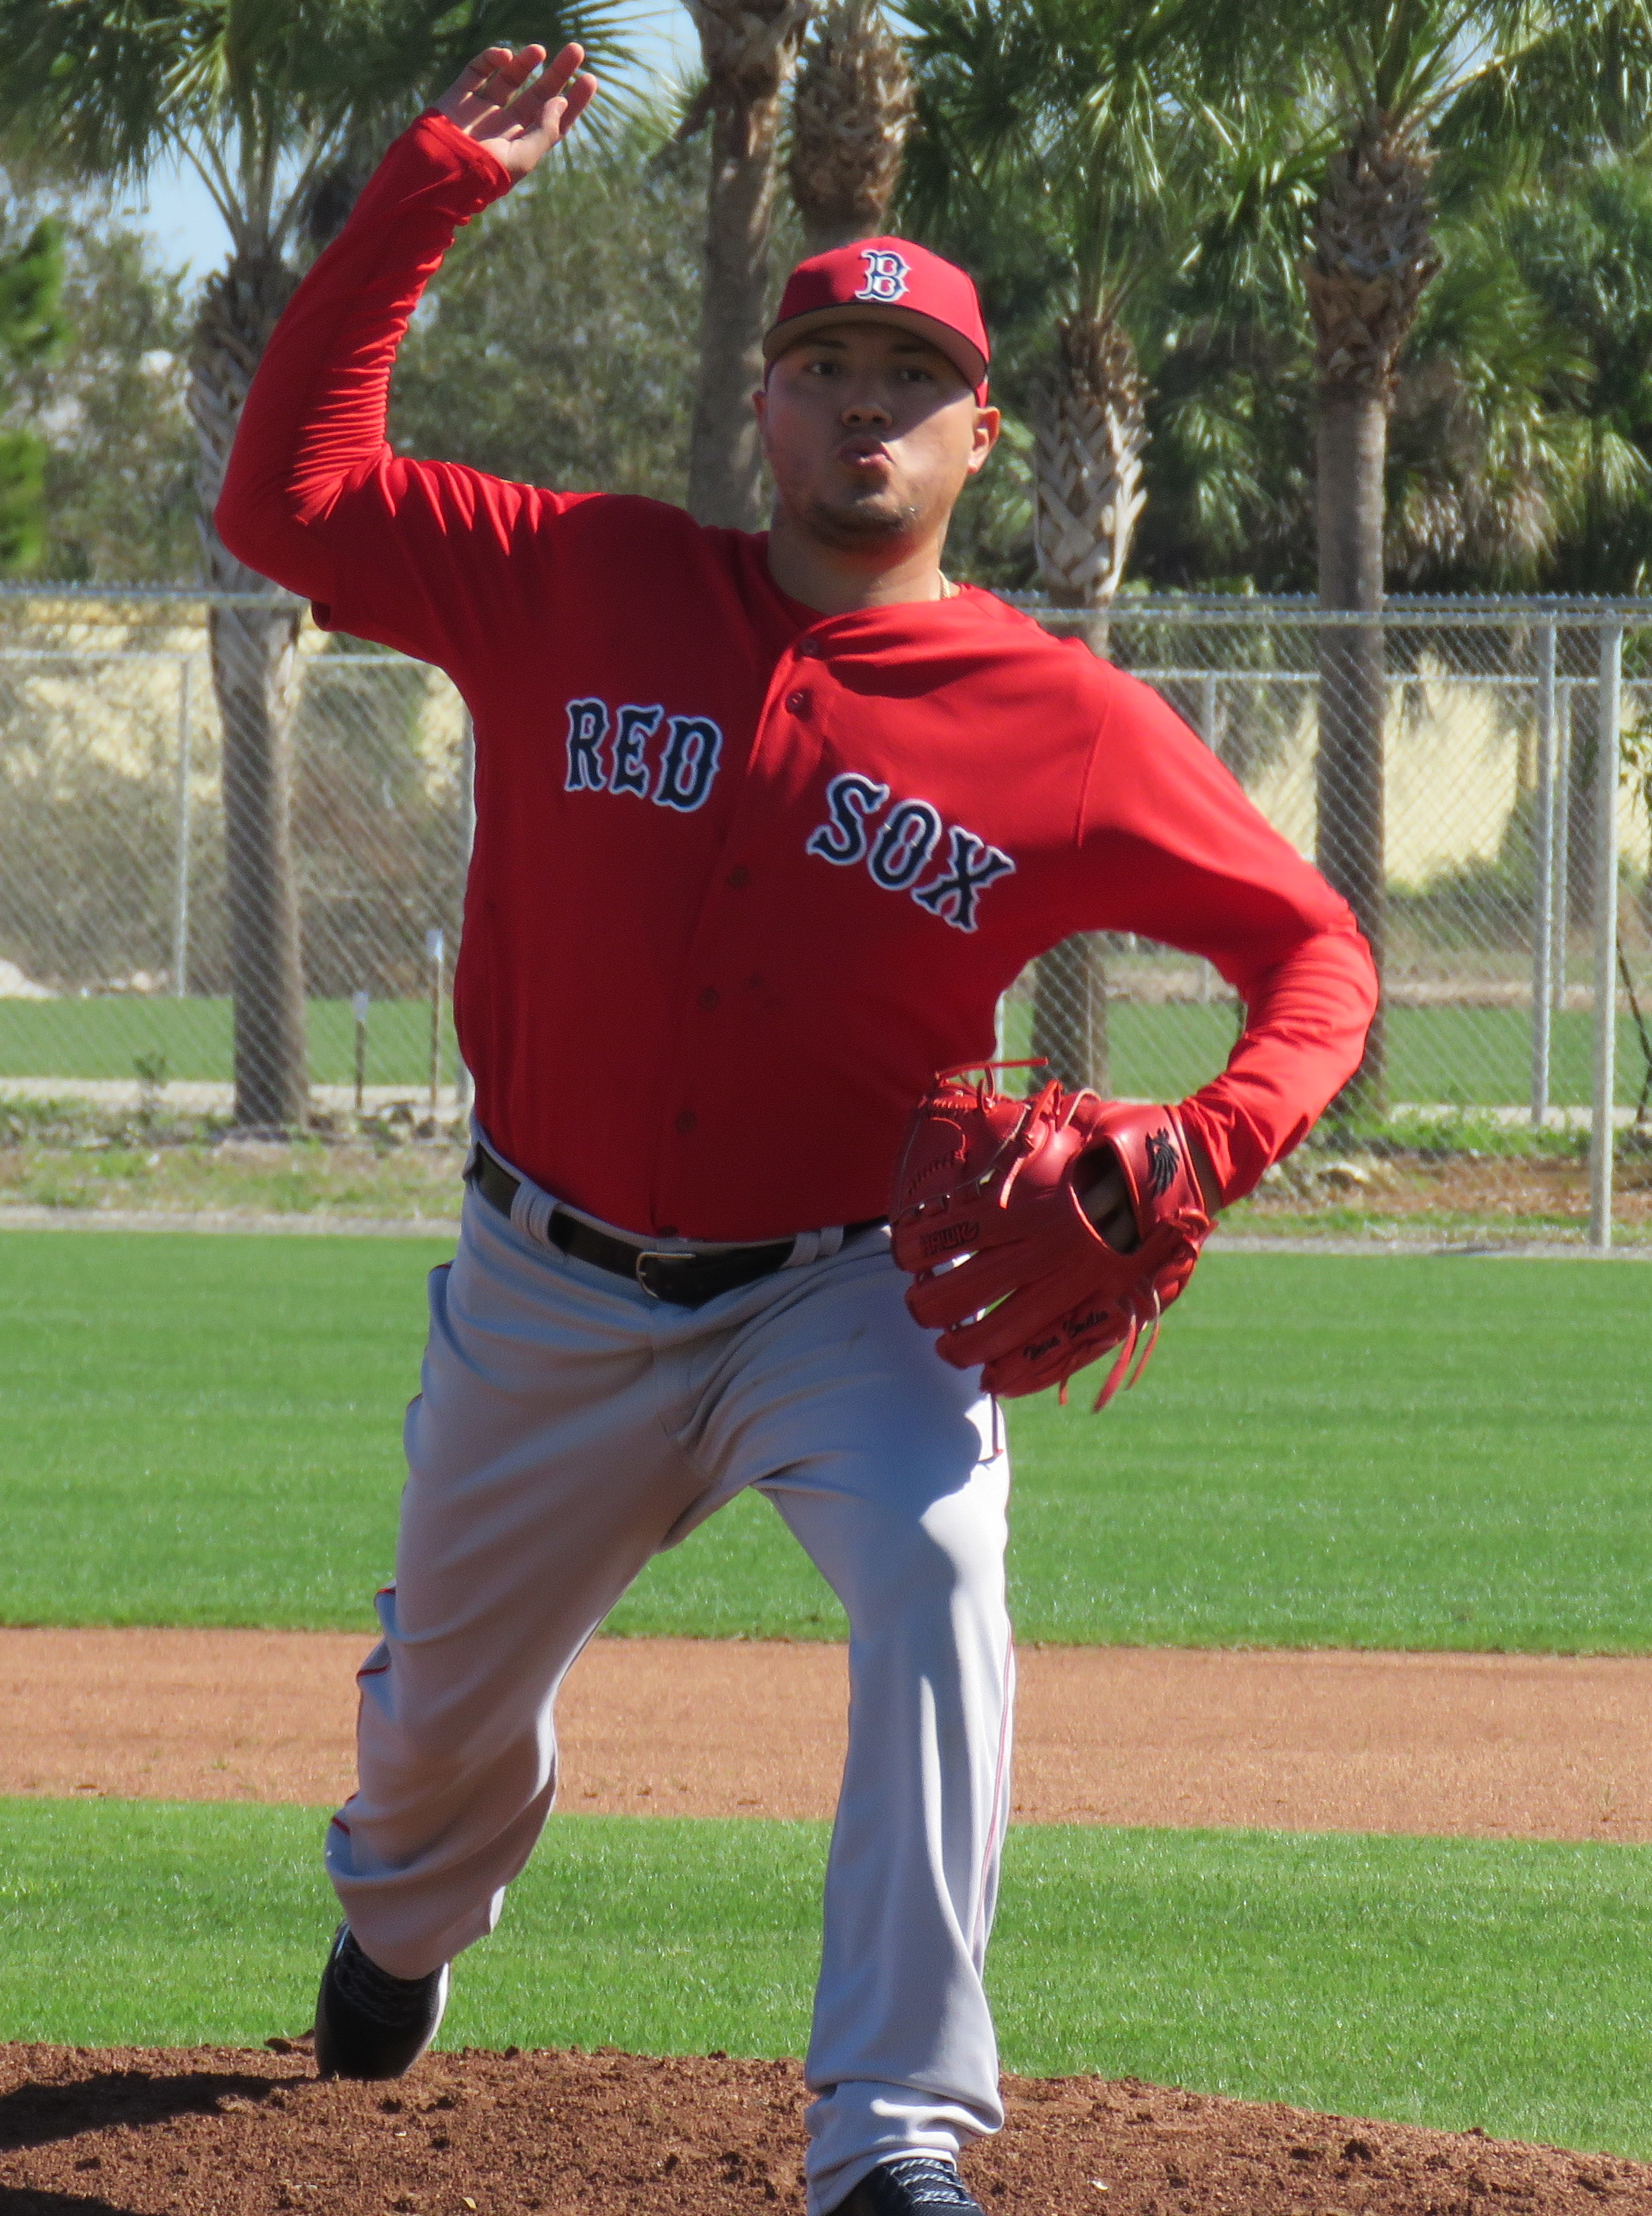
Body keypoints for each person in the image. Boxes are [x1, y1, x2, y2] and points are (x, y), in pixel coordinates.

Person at [216, 42, 1377, 2216]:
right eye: (824, 366)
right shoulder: (575, 579)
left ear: (978, 436)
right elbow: (283, 500)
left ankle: (894, 2136)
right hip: (544, 1287)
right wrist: (423, 202)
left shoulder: (1067, 724)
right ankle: (400, 1925)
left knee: (942, 1593)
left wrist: (1209, 1142)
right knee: (426, 1762)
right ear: (763, 405)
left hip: (855, 1295)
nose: (865, 408)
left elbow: (1320, 956)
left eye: (909, 378)